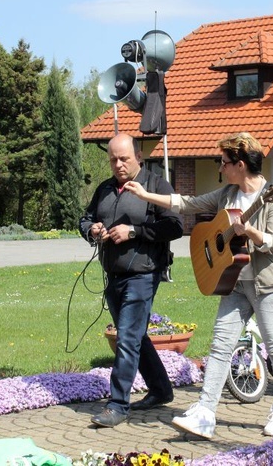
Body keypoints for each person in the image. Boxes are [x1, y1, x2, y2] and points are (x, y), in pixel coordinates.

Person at [125, 132, 273, 438]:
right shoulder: (228, 194)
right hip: (235, 283)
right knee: (219, 346)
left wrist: (250, 232)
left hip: (269, 284)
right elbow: (187, 203)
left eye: (225, 162)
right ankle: (205, 411)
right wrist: (145, 195)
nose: (221, 167)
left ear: (240, 165)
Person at [79, 134, 183, 428]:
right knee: (134, 335)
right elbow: (84, 219)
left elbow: (175, 226)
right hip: (113, 274)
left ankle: (117, 405)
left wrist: (134, 231)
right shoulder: (105, 188)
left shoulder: (156, 185)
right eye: (113, 159)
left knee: (126, 338)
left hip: (144, 273)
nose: (118, 164)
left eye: (124, 158)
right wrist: (93, 230)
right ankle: (161, 390)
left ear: (138, 155)